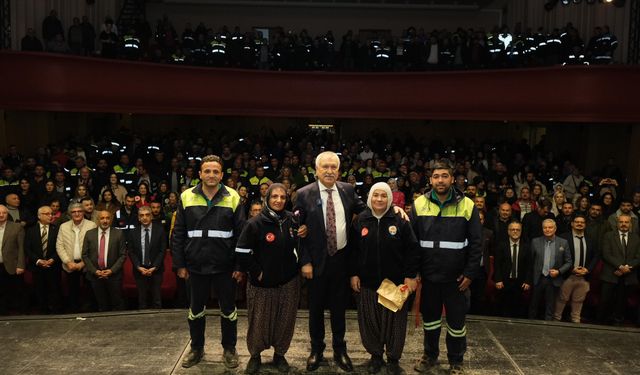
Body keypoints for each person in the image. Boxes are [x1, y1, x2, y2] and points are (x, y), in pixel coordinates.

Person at [294, 151, 367, 373]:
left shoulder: (347, 190)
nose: (329, 171)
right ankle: (316, 349)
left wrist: (396, 210)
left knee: (339, 309)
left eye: (333, 167)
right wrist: (304, 261)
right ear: (316, 170)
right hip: (315, 263)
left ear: (339, 170)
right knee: (315, 309)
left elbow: (368, 210)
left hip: (341, 260)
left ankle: (339, 349)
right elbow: (297, 231)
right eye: (325, 167)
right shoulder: (303, 193)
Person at [172, 155, 245, 369]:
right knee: (195, 310)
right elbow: (178, 234)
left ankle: (229, 349)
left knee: (229, 310)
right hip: (195, 265)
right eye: (207, 171)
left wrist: (240, 266)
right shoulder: (186, 197)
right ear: (200, 174)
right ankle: (196, 348)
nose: (211, 175)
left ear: (222, 175)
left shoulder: (233, 197)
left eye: (216, 171)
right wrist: (180, 265)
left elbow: (241, 235)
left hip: (225, 266)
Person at [411, 161, 482, 375]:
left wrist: (470, 274)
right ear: (430, 180)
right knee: (430, 321)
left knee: (456, 324)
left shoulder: (468, 205)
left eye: (444, 176)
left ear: (453, 179)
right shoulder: (419, 203)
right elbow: (413, 243)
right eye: (436, 176)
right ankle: (429, 356)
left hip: (457, 280)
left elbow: (477, 244)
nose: (440, 180)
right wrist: (414, 273)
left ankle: (456, 361)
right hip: (429, 277)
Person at [350, 182, 419, 375]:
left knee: (394, 325)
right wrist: (354, 273)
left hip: (395, 285)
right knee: (370, 323)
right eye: (375, 195)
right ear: (369, 198)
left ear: (389, 199)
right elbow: (353, 251)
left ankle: (393, 359)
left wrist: (410, 275)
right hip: (368, 284)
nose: (379, 199)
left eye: (383, 196)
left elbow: (412, 250)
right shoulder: (361, 220)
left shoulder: (400, 220)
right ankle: (376, 356)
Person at [235, 183, 302, 374]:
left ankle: (279, 356)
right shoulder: (255, 223)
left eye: (282, 197)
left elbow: (301, 243)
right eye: (275, 197)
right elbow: (241, 251)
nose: (279, 200)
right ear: (267, 199)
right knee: (258, 323)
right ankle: (255, 356)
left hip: (288, 282)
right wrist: (257, 272)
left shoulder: (292, 220)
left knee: (285, 322)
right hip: (261, 285)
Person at [554, 214, 599, 323]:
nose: (579, 224)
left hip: (584, 276)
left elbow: (596, 256)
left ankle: (576, 321)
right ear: (572, 224)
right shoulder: (563, 238)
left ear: (585, 225)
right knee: (562, 299)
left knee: (579, 300)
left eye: (582, 222)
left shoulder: (591, 239)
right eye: (577, 222)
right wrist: (571, 269)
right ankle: (555, 320)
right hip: (567, 275)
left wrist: (587, 270)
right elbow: (558, 257)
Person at [525, 219, 572, 321]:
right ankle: (530, 325)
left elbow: (568, 262)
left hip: (553, 279)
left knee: (550, 307)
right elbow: (530, 262)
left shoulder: (563, 243)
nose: (547, 229)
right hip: (538, 278)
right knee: (533, 305)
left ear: (555, 229)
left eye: (550, 227)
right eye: (545, 227)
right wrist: (528, 280)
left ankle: (548, 328)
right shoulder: (535, 242)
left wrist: (559, 272)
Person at [598, 214, 640, 325]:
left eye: (626, 222)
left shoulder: (636, 238)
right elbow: (606, 254)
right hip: (610, 274)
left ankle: (618, 322)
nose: (624, 224)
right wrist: (620, 267)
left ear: (630, 224)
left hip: (628, 276)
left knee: (621, 302)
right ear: (617, 223)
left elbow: (638, 257)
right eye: (621, 222)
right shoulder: (609, 236)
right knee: (605, 300)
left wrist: (627, 268)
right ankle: (600, 323)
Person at [82, 210, 126, 311]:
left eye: (107, 218)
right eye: (102, 218)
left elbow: (123, 255)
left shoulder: (119, 233)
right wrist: (95, 271)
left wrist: (111, 270)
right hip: (95, 276)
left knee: (116, 304)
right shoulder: (89, 234)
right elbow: (85, 255)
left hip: (114, 276)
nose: (105, 221)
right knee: (101, 305)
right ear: (98, 220)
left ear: (111, 220)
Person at [55, 203, 96, 312]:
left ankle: (89, 313)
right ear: (70, 214)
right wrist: (68, 262)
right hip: (70, 265)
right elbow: (59, 246)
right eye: (74, 212)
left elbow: (94, 247)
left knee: (89, 291)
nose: (77, 213)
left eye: (79, 211)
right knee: (72, 292)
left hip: (87, 264)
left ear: (83, 212)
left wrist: (83, 263)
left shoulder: (91, 225)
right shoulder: (63, 226)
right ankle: (74, 312)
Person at [128, 206, 167, 309]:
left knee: (157, 300)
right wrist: (138, 267)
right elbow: (131, 252)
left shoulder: (160, 230)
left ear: (151, 217)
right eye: (142, 215)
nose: (144, 218)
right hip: (140, 270)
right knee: (142, 300)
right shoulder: (133, 232)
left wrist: (154, 267)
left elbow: (162, 251)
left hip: (156, 270)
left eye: (147, 215)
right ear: (138, 218)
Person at [25, 205, 61, 314]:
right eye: (47, 214)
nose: (50, 216)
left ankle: (56, 311)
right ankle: (43, 311)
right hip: (37, 267)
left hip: (53, 265)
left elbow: (60, 247)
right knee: (40, 290)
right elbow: (27, 248)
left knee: (55, 290)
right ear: (39, 216)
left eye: (51, 214)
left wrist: (52, 259)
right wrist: (39, 261)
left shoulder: (57, 229)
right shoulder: (30, 231)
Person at [493, 221, 531, 318]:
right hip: (504, 282)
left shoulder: (527, 246)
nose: (515, 231)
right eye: (512, 229)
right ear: (508, 231)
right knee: (503, 308)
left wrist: (527, 281)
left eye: (517, 230)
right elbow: (497, 264)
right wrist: (498, 279)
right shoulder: (501, 245)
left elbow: (529, 266)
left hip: (520, 282)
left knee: (518, 309)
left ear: (521, 231)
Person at [0, 205, 26, 314]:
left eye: (4, 213)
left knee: (16, 291)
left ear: (7, 214)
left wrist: (21, 265)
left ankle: (20, 314)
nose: (1, 215)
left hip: (13, 265)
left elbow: (21, 248)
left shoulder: (17, 227)